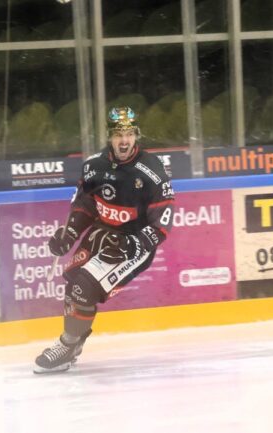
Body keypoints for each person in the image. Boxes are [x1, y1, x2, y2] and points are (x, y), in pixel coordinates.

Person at [34, 106, 175, 374]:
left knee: (83, 288)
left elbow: (162, 221)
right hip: (103, 233)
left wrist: (136, 244)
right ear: (109, 136)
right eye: (118, 134)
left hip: (133, 243)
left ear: (136, 135)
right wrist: (69, 234)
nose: (124, 140)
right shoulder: (94, 166)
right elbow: (85, 206)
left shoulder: (152, 169)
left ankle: (67, 345)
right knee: (73, 285)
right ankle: (73, 345)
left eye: (129, 134)